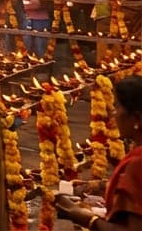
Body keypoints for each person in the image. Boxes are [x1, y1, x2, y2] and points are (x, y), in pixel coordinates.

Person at [56, 75, 142, 230]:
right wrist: (104, 185)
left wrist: (83, 217)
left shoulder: (137, 164)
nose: (114, 113)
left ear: (136, 118)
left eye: (118, 106)